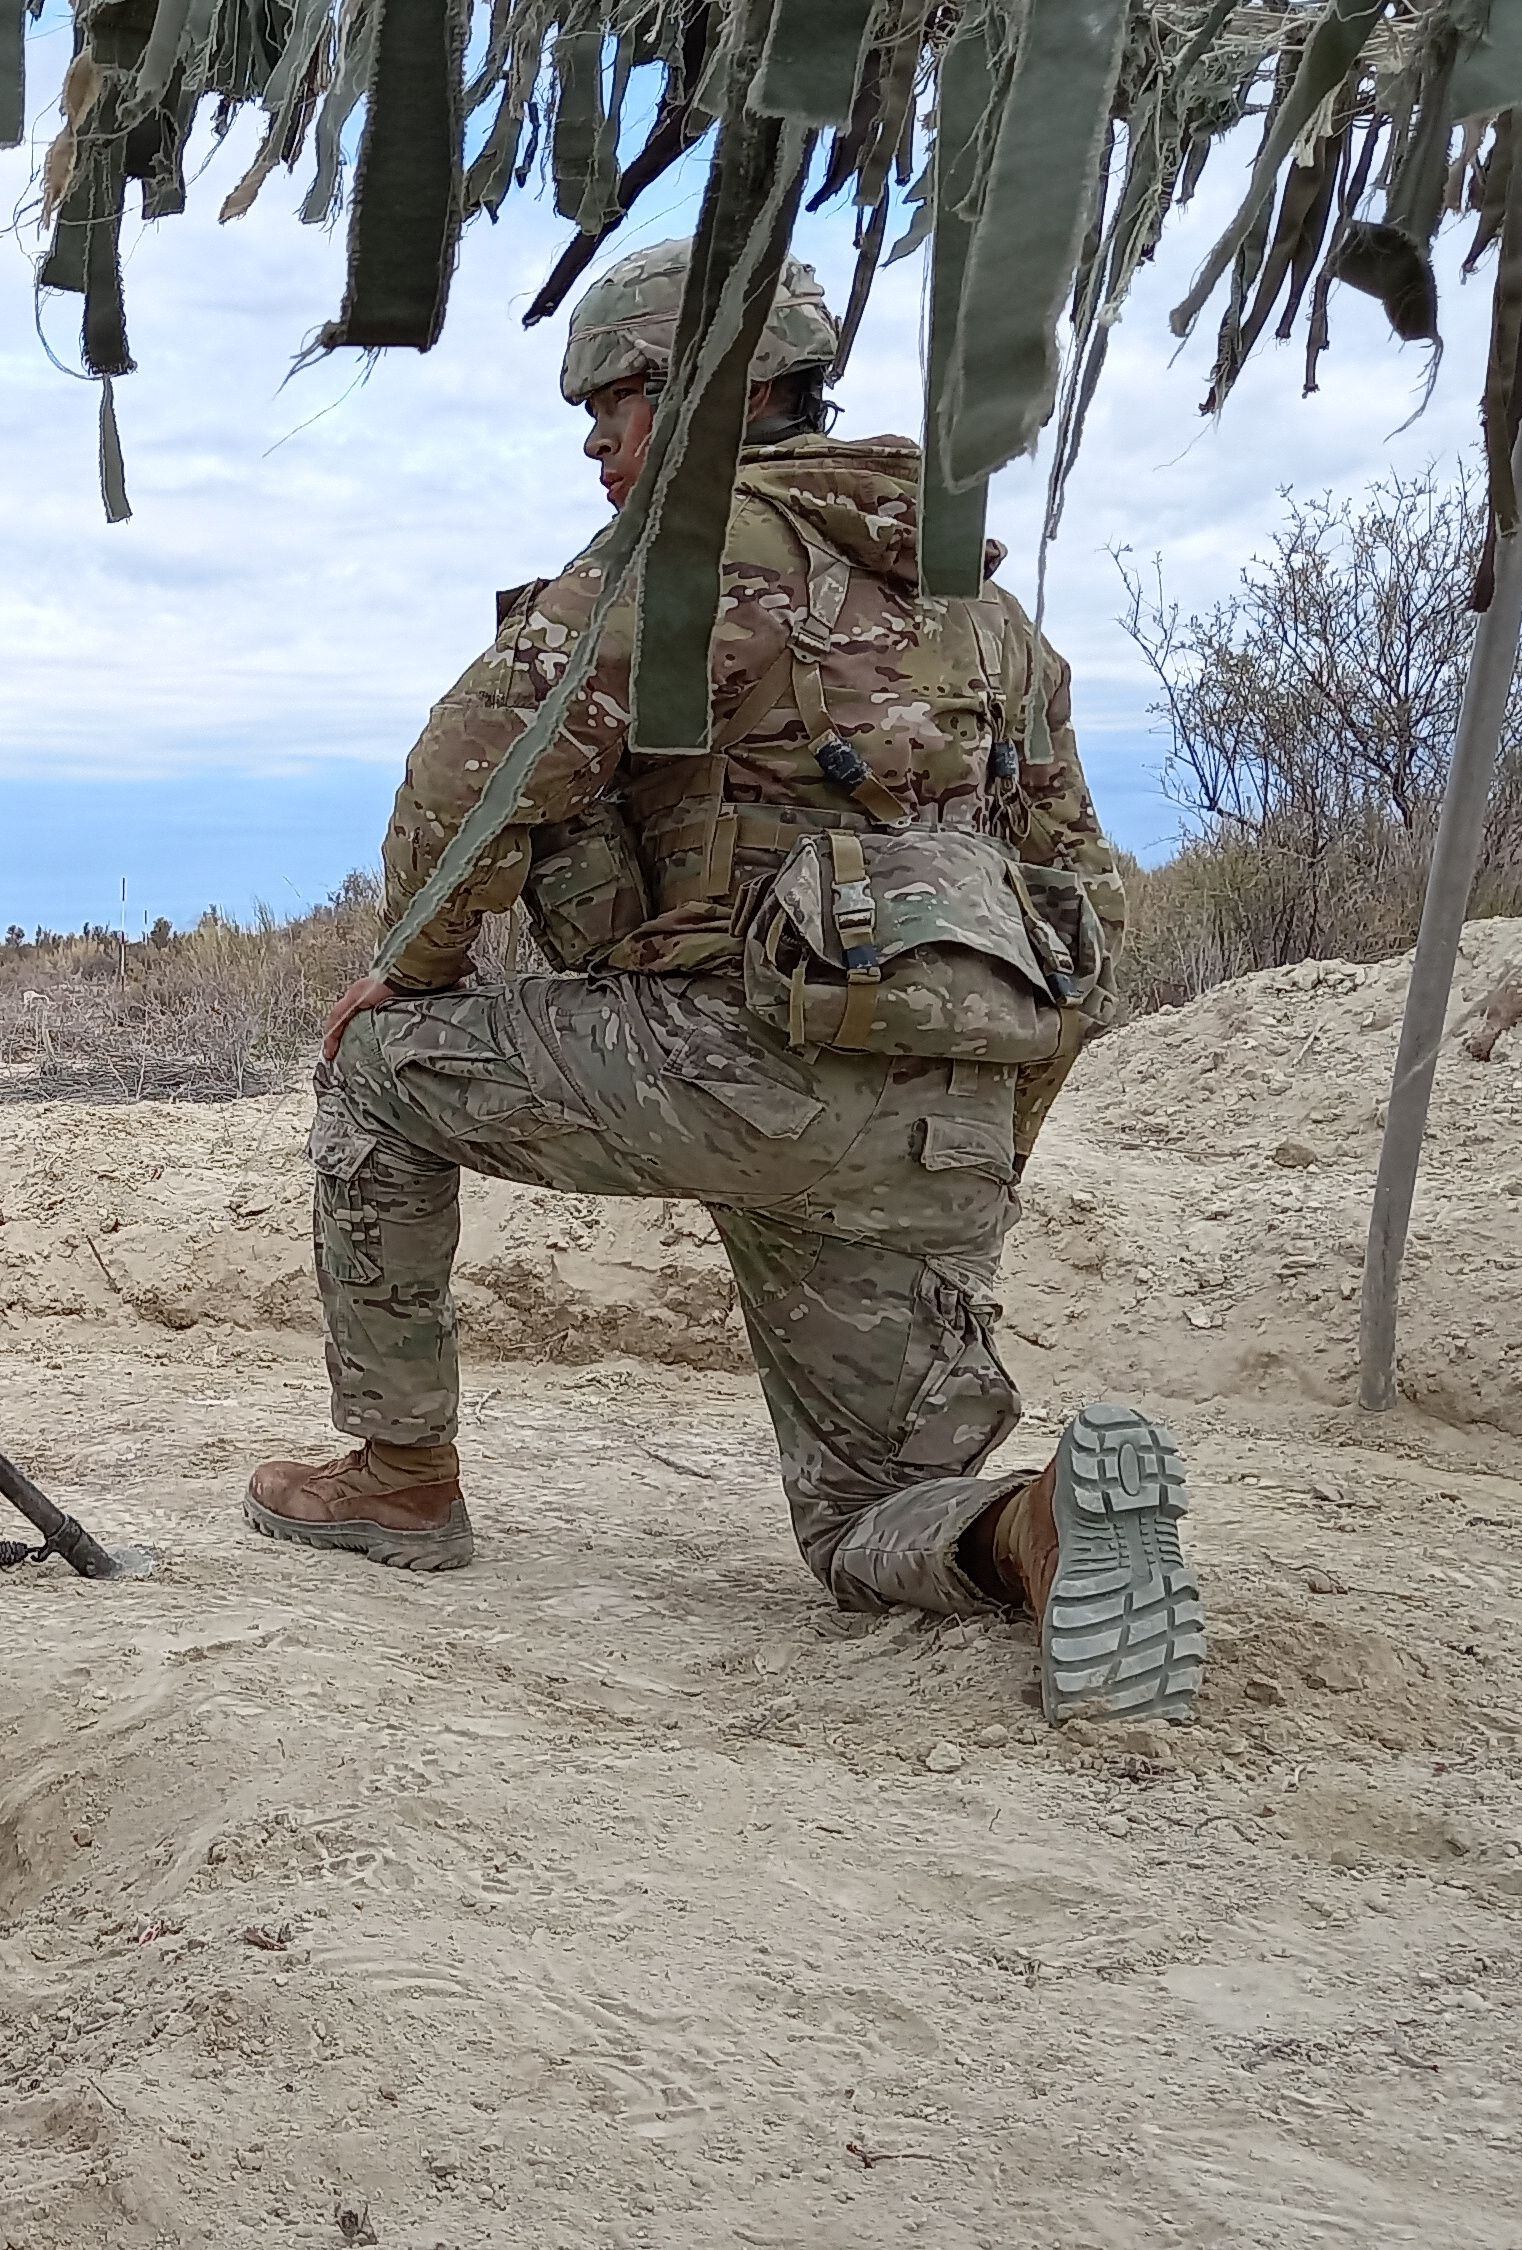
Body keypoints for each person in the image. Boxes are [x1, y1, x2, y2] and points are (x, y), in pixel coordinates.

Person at [245, 250, 1205, 1726]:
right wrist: (988, 1131)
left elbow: (470, 771)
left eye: (612, 399)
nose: (593, 438)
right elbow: (1087, 910)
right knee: (871, 1516)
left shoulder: (691, 556)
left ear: (699, 390)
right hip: (936, 1116)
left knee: (375, 1071)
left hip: (727, 1063)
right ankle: (1030, 1530)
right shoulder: (988, 617)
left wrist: (407, 969)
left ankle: (397, 1472)